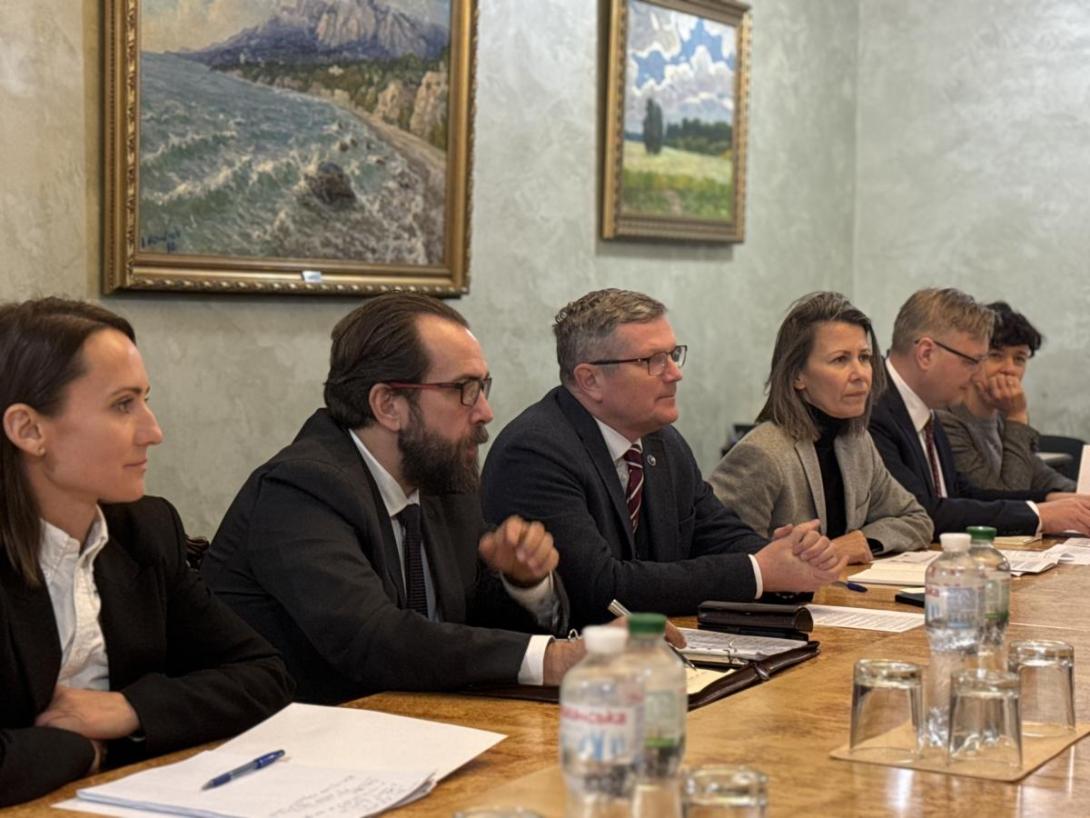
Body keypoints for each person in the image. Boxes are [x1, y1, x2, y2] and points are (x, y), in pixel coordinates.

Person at [203, 294, 582, 705]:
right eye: (464, 389)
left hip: (424, 723)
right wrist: (552, 659)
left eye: (482, 387)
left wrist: (523, 582)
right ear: (388, 405)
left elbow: (473, 629)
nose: (485, 411)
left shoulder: (444, 480)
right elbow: (372, 638)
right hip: (299, 732)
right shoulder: (301, 489)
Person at [0, 298, 293, 807]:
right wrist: (82, 749)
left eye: (145, 400)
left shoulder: (146, 530)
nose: (153, 432)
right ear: (29, 429)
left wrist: (128, 709)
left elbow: (264, 676)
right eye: (122, 405)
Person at [481, 289, 845, 630]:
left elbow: (717, 534)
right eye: (652, 361)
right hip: (576, 663)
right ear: (590, 380)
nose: (675, 373)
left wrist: (788, 556)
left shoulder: (662, 442)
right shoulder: (535, 452)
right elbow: (599, 588)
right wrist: (759, 572)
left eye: (673, 355)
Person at [708, 293, 932, 563]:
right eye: (840, 360)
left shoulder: (857, 442)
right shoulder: (761, 454)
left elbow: (917, 519)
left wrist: (861, 542)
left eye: (864, 357)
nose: (861, 374)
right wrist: (820, 554)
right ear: (797, 375)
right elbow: (723, 557)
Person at [869, 288, 1090, 536]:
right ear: (926, 354)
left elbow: (962, 495)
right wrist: (1038, 515)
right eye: (972, 361)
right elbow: (921, 512)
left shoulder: (926, 409)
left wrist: (1049, 500)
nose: (977, 375)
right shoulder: (873, 413)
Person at [938, 301, 1075, 493]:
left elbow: (1038, 474)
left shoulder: (1004, 413)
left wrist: (1082, 493)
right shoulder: (946, 420)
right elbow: (1008, 497)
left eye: (1019, 359)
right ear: (972, 358)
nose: (1009, 369)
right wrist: (1017, 417)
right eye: (995, 355)